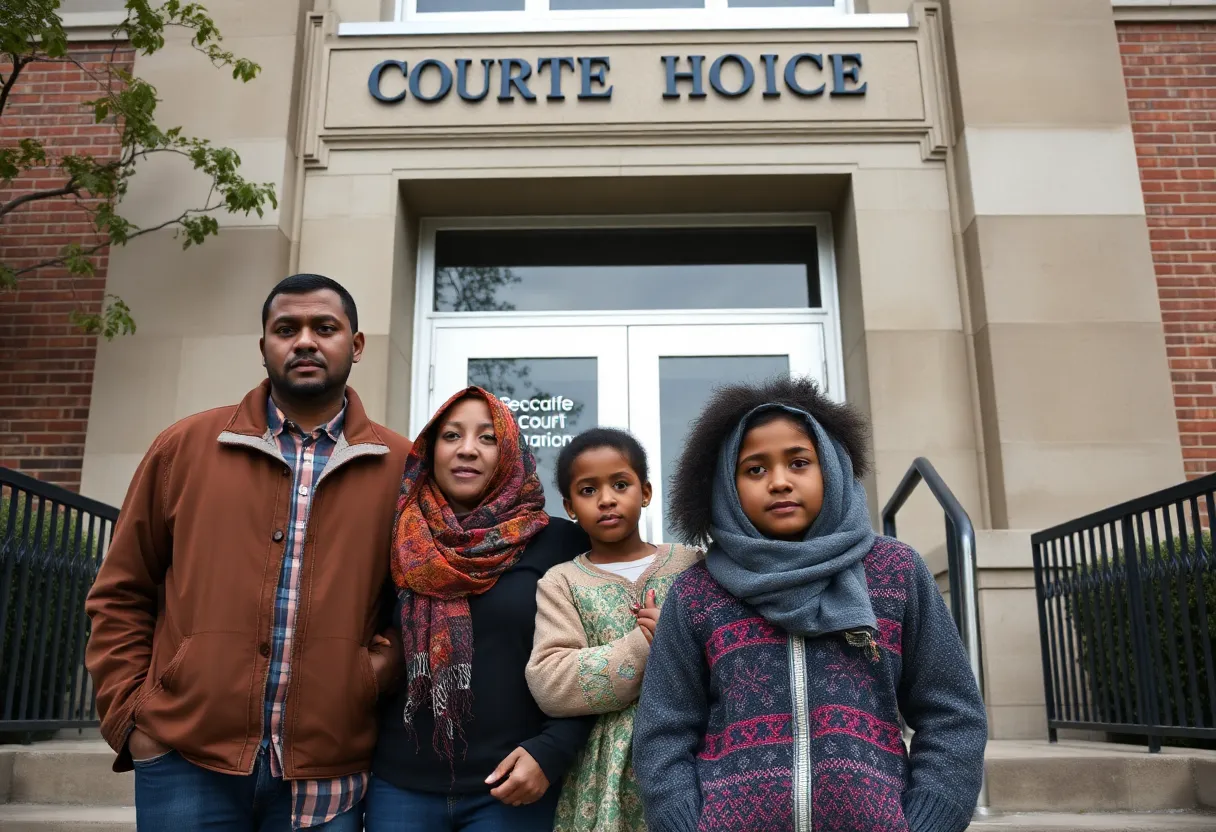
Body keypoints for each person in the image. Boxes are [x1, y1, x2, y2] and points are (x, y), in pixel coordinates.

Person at [85, 274, 412, 830]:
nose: (304, 341)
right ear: (264, 346)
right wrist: (130, 717)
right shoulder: (184, 447)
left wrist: (373, 673)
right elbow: (121, 591)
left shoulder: (401, 465)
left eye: (324, 328)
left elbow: (418, 603)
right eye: (286, 329)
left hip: (327, 768)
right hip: (185, 756)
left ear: (355, 346)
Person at [632, 376, 988, 832]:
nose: (779, 482)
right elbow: (664, 730)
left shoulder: (895, 572)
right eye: (755, 469)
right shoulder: (698, 593)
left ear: (832, 469)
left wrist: (927, 822)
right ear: (727, 484)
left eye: (799, 462)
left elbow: (952, 714)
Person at [365, 386, 594, 832]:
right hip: (401, 787)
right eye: (451, 436)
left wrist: (551, 752)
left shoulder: (560, 543)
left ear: (510, 451)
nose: (467, 450)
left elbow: (591, 664)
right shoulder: (398, 543)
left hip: (514, 786)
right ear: (430, 452)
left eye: (487, 438)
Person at [526, 428, 701, 832]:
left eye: (620, 484)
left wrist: (678, 642)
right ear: (569, 507)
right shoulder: (562, 582)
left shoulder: (691, 566)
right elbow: (551, 682)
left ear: (646, 492)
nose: (606, 499)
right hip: (602, 775)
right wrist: (643, 645)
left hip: (692, 758)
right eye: (588, 491)